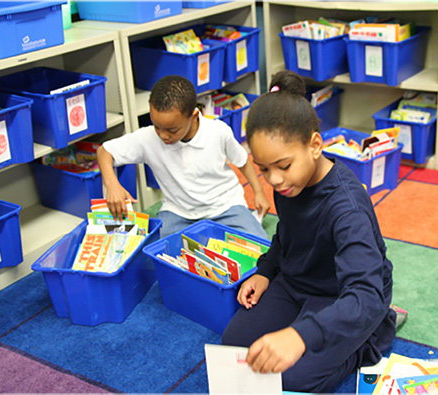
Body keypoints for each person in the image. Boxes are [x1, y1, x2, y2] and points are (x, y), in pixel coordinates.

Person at [221, 70, 396, 393]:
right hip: (296, 283)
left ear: (315, 145)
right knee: (235, 347)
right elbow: (286, 234)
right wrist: (266, 271)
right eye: (263, 169)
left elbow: (365, 295)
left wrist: (301, 335)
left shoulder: (347, 206)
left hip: (342, 296)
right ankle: (308, 328)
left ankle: (373, 337)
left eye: (283, 166)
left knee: (293, 378)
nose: (273, 179)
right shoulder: (288, 182)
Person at [97, 75, 270, 240]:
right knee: (154, 250)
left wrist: (259, 192)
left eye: (172, 130)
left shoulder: (218, 131)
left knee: (260, 248)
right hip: (178, 211)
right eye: (157, 126)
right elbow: (104, 151)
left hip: (225, 205)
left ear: (194, 116)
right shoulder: (147, 138)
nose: (163, 136)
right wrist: (112, 184)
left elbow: (243, 161)